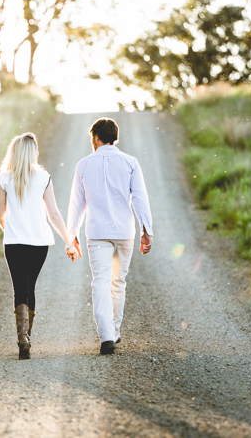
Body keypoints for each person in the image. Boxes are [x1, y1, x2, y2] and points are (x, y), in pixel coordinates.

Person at [66, 118, 153, 355]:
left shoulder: (83, 165)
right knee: (118, 283)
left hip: (97, 234)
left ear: (95, 137)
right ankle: (113, 332)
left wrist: (70, 234)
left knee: (100, 283)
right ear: (115, 137)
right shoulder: (130, 162)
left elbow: (77, 204)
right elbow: (140, 198)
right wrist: (147, 230)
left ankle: (107, 337)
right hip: (124, 232)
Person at [0, 132, 76, 360]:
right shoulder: (43, 177)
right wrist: (68, 242)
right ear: (32, 153)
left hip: (14, 243)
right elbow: (53, 213)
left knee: (19, 289)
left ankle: (23, 339)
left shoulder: (4, 178)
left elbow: (0, 215)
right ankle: (26, 338)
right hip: (40, 243)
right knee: (30, 288)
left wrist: (12, 231)